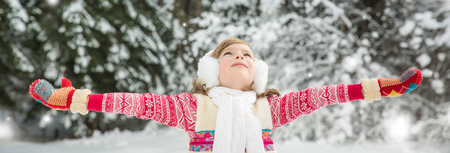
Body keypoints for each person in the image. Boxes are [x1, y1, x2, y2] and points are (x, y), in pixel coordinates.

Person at [29, 37, 423, 153]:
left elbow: (328, 95)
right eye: (228, 54)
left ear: (256, 72)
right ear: (211, 70)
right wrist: (77, 99)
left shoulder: (271, 107)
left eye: (246, 55)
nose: (239, 57)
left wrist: (381, 88)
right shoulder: (191, 107)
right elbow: (130, 102)